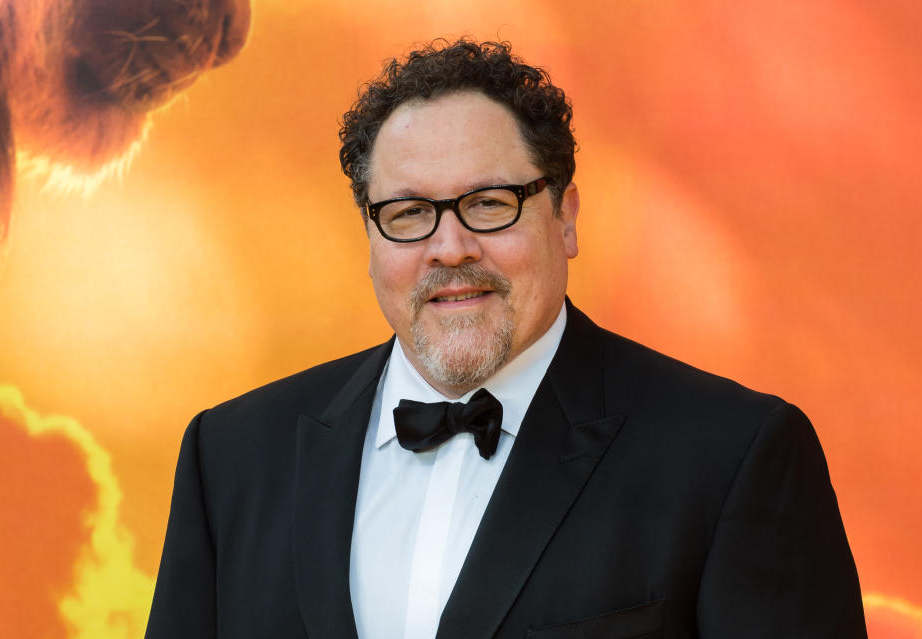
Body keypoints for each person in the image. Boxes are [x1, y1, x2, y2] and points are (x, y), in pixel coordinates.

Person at [145, 39, 867, 639]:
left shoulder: (735, 458)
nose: (449, 246)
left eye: (489, 204)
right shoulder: (230, 459)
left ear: (567, 216)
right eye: (408, 213)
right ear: (369, 233)